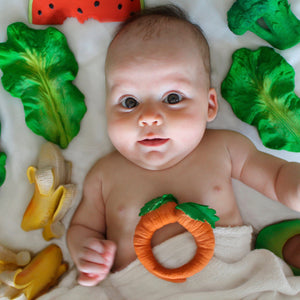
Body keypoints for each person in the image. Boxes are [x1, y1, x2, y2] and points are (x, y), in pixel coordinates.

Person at [67, 4, 300, 287]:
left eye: (173, 98)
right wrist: (86, 251)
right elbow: (83, 227)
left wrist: (295, 188)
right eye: (129, 102)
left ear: (209, 106)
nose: (149, 117)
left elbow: (276, 178)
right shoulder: (104, 174)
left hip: (234, 287)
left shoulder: (223, 148)